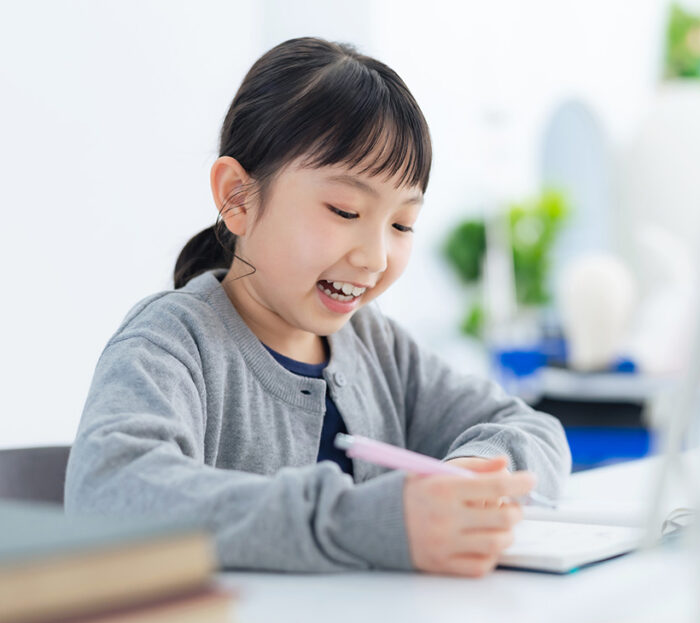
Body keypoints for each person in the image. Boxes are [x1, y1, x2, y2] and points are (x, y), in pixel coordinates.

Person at [65, 37, 570, 577]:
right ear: (237, 197)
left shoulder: (378, 348)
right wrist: (360, 520)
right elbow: (109, 490)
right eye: (344, 210)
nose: (375, 257)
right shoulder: (172, 341)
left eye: (401, 224)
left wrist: (467, 477)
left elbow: (532, 430)